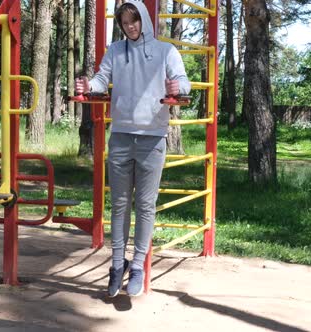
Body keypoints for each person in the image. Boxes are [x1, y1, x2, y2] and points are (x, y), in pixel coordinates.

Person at [75, 0, 190, 297]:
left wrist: (178, 88)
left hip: (152, 138)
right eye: (125, 22)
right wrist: (90, 86)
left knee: (146, 206)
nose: (131, 27)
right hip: (122, 136)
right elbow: (102, 77)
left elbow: (182, 81)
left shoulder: (166, 51)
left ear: (145, 21)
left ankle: (137, 265)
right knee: (120, 204)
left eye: (135, 20)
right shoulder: (115, 50)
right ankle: (116, 265)